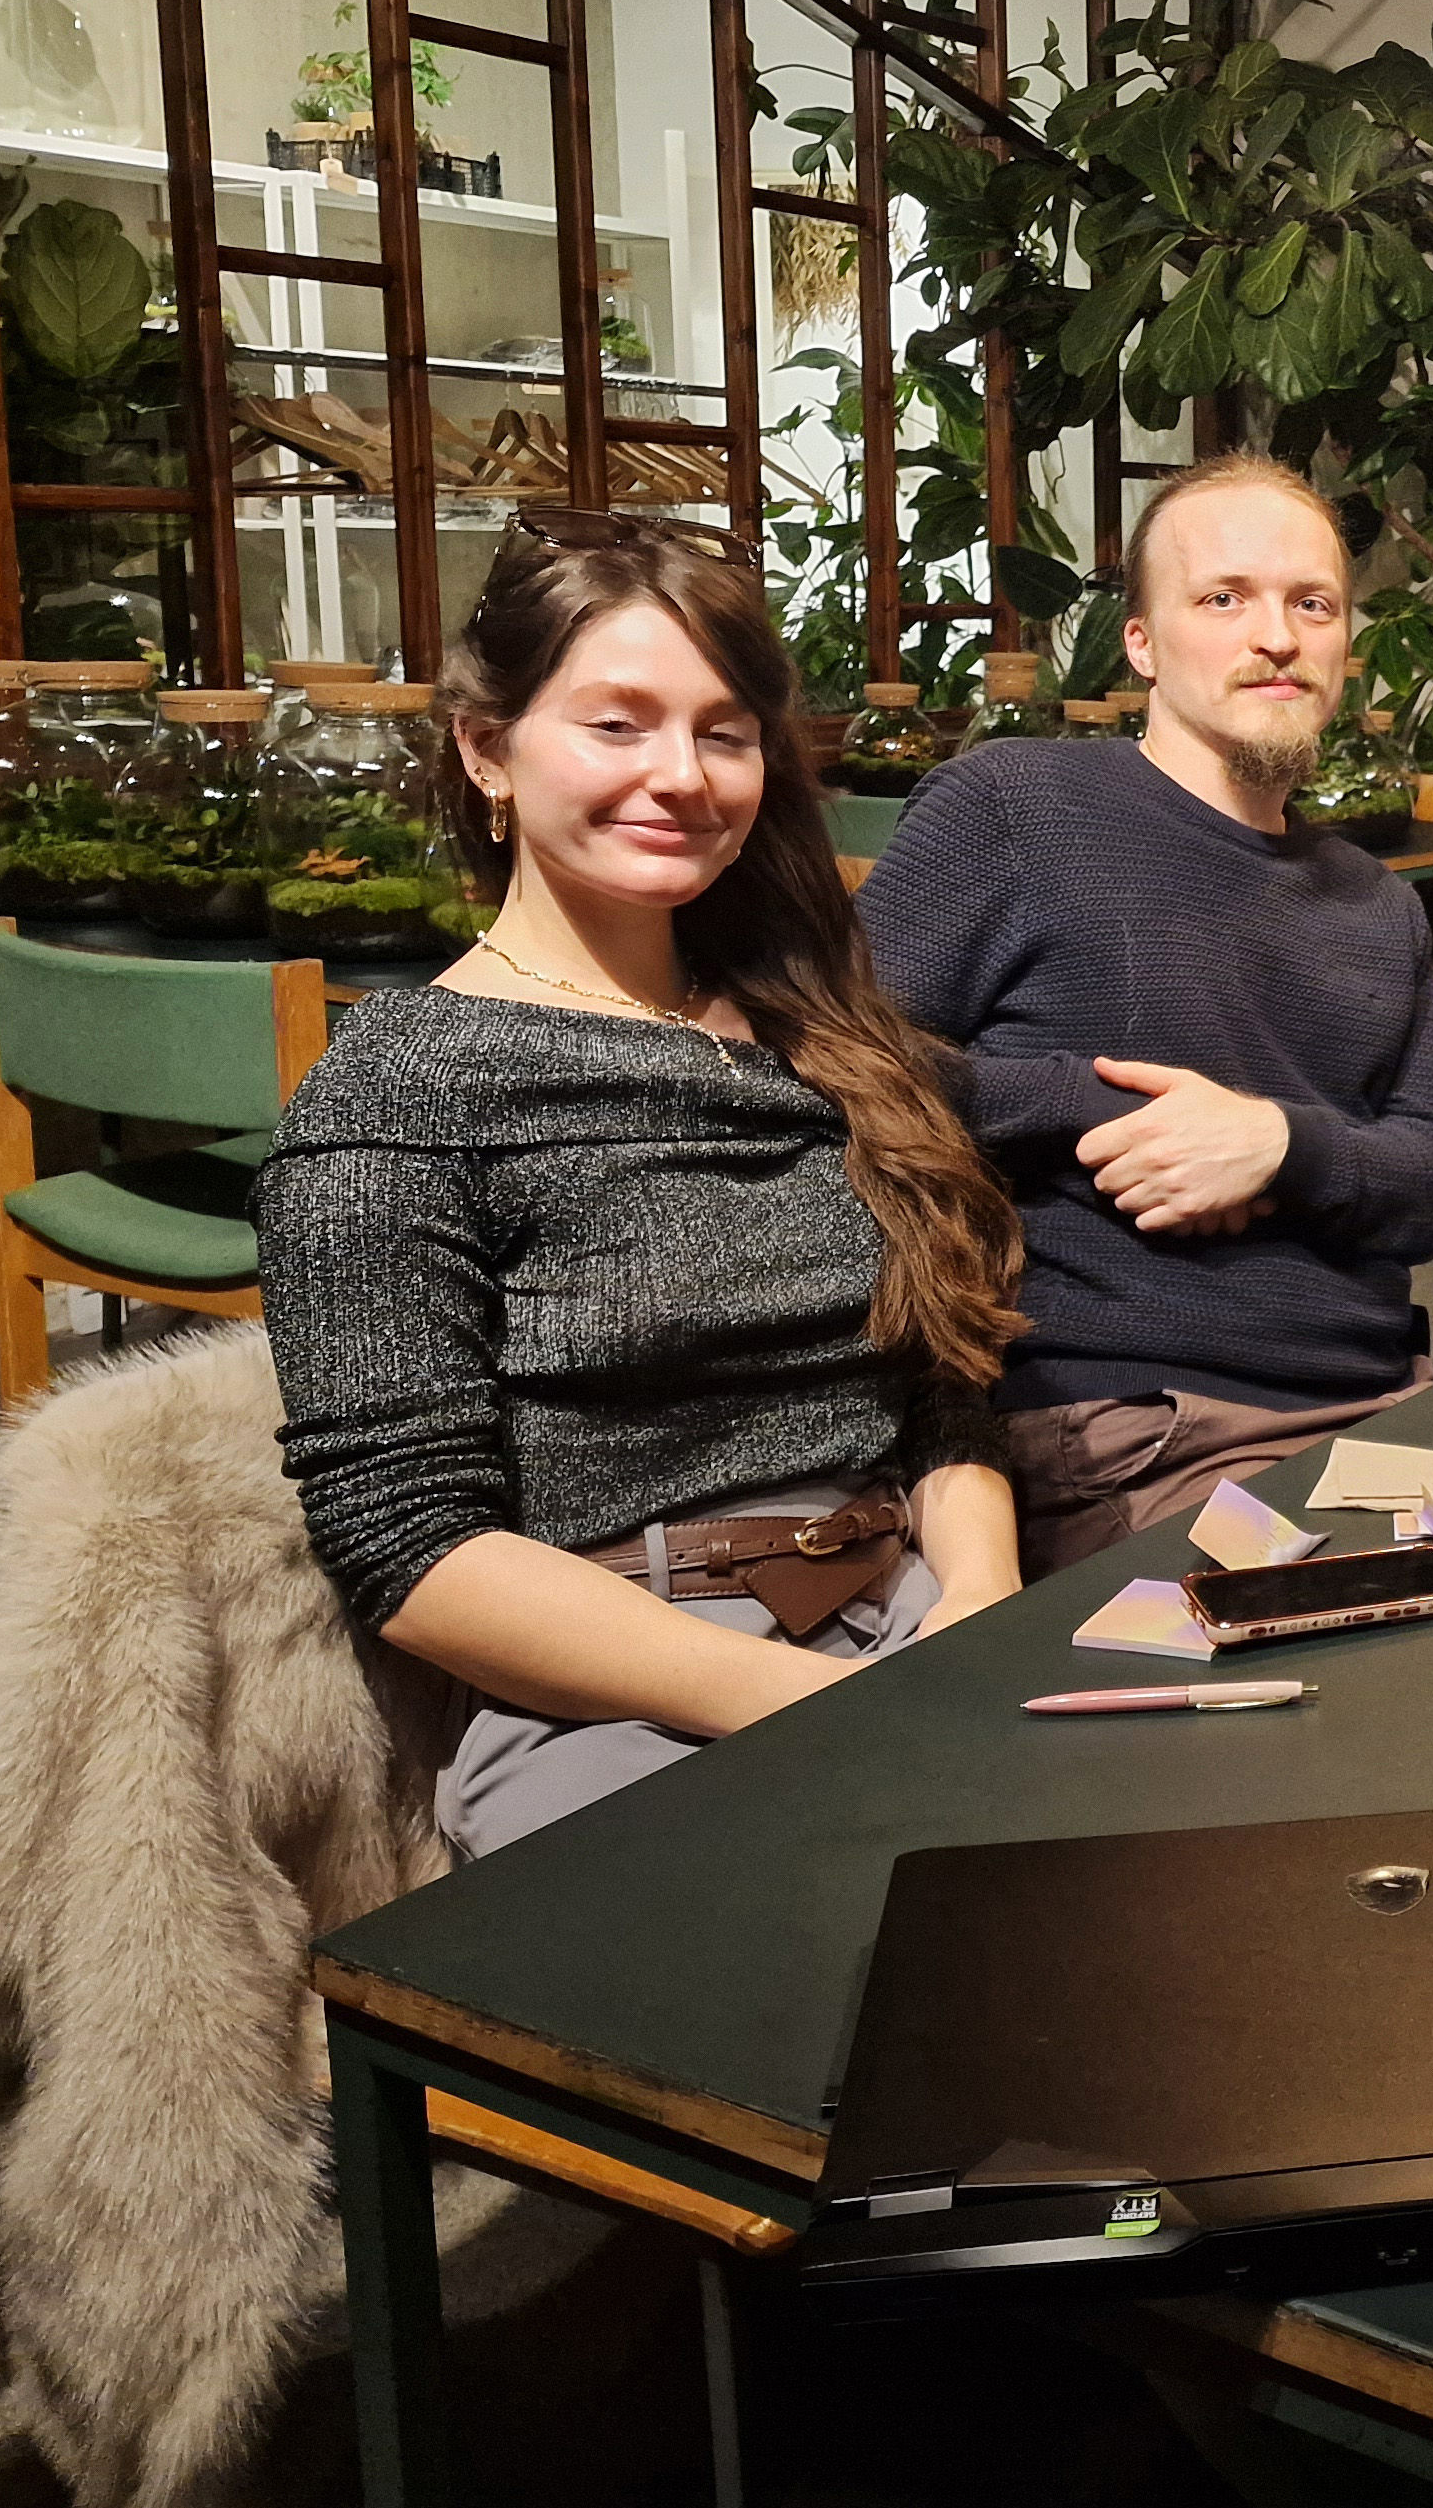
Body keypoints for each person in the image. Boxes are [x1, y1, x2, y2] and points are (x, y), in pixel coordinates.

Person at [258, 515, 1029, 1857]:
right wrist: (816, 1703)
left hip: (913, 1620)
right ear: (484, 748)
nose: (681, 776)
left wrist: (978, 1611)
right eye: (616, 726)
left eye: (723, 732)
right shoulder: (397, 1094)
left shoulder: (830, 1036)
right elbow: (409, 1544)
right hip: (624, 1697)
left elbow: (944, 1402)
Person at [856, 452, 1433, 1570]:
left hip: (1391, 1413)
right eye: (1223, 598)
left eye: (1310, 604)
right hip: (1147, 1426)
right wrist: (1100, 1108)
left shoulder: (1376, 902)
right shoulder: (1017, 804)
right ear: (1141, 643)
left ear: (1344, 650)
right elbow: (835, 1058)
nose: (1274, 635)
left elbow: (1429, 1181)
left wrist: (1274, 1144)